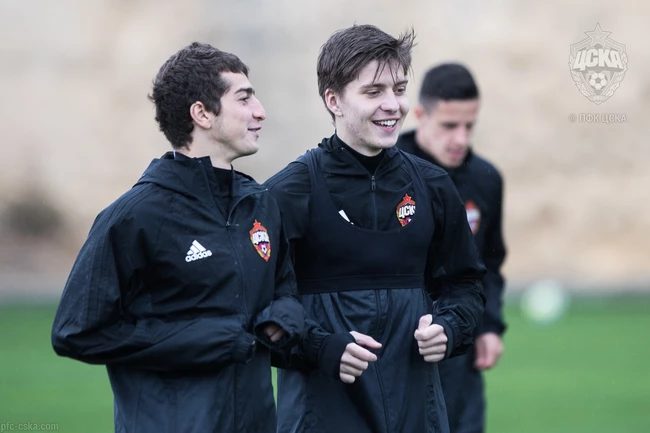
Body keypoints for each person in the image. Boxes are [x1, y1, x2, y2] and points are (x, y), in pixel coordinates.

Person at [51, 42, 305, 433]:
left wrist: (284, 316)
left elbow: (285, 287)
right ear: (202, 113)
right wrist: (206, 339)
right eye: (244, 99)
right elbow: (76, 332)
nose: (260, 111)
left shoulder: (260, 204)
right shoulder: (135, 216)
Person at [264, 25, 486, 433]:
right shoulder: (287, 193)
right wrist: (320, 347)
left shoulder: (434, 186)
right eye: (373, 92)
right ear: (333, 100)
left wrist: (450, 328)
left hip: (418, 417)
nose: (392, 105)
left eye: (399, 90)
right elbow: (263, 309)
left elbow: (466, 284)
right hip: (321, 418)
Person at [396, 63, 508, 433]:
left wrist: (489, 326)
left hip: (459, 344)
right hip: (398, 347)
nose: (461, 138)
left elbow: (488, 263)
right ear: (420, 115)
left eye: (469, 126)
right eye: (449, 126)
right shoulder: (388, 171)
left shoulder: (485, 178)